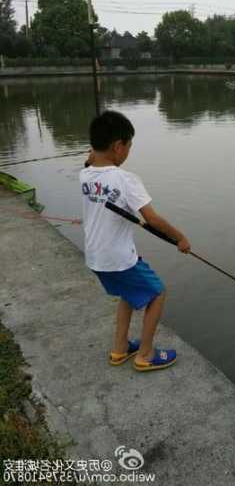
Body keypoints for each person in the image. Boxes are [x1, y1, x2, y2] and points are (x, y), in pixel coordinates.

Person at [80, 110, 190, 372]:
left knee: (128, 295)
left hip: (96, 257)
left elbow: (90, 163)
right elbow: (152, 219)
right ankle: (146, 354)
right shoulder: (127, 180)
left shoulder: (85, 175)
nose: (128, 152)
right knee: (158, 292)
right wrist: (180, 238)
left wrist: (92, 159)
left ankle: (120, 349)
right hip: (118, 258)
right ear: (118, 146)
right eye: (128, 146)